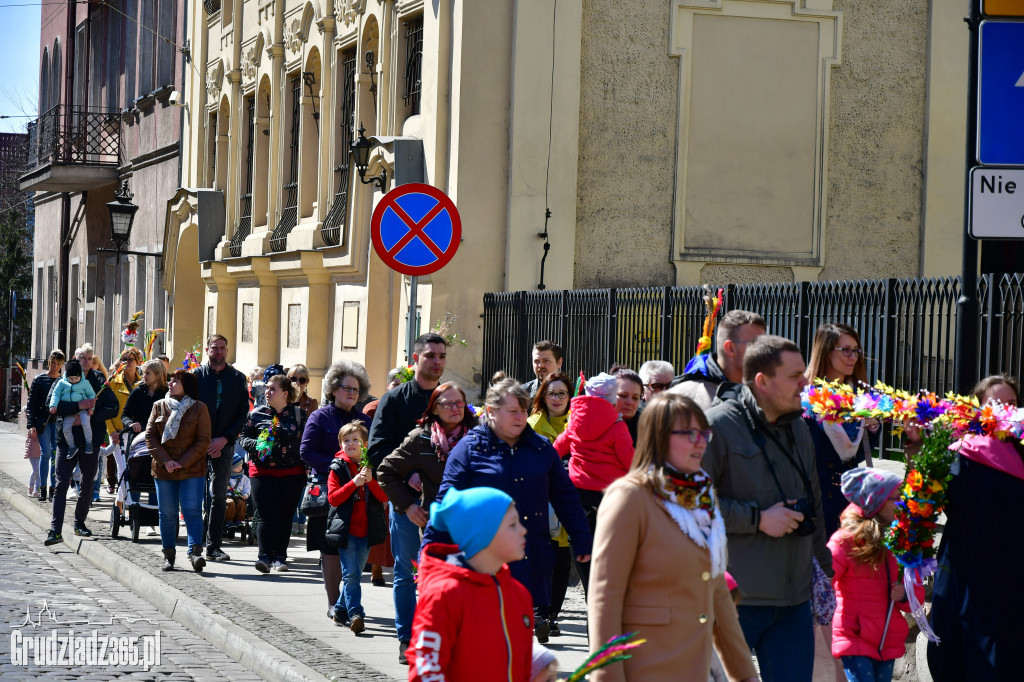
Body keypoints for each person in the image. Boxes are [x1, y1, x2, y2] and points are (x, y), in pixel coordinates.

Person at [588, 393, 757, 682]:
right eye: (689, 433)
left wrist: (745, 675)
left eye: (704, 433)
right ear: (659, 437)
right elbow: (605, 598)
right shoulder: (630, 497)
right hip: (644, 669)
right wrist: (607, 676)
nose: (700, 442)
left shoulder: (703, 498)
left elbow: (717, 593)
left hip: (696, 668)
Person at [702, 334, 832, 682]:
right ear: (762, 381)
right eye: (795, 375)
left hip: (793, 601)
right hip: (734, 600)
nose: (806, 382)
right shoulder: (717, 425)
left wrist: (826, 571)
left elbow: (815, 503)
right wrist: (758, 519)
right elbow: (693, 505)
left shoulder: (801, 428)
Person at [424, 378, 593, 645]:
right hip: (484, 559)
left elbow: (566, 499)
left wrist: (583, 539)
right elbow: (447, 505)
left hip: (531, 557)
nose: (521, 416)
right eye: (513, 411)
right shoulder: (470, 450)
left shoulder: (540, 449)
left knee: (517, 635)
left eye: (524, 410)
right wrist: (430, 553)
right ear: (490, 411)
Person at [926, 374, 1024, 681]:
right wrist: (920, 448)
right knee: (955, 650)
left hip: (1012, 573)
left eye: (1012, 403)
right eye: (995, 403)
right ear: (979, 408)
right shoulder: (955, 452)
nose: (1005, 410)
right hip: (963, 571)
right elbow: (922, 503)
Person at [367, 333, 447, 664]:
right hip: (407, 502)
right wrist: (407, 476)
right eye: (430, 355)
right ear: (415, 359)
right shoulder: (395, 400)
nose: (437, 361)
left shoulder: (449, 399)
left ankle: (434, 636)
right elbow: (376, 449)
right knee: (405, 571)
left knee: (440, 574)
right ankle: (407, 639)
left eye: (442, 355)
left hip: (443, 504)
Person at [409, 486, 534, 682]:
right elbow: (426, 671)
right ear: (483, 534)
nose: (523, 530)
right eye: (512, 525)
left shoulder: (519, 594)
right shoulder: (443, 595)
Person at [830, 468, 922, 682]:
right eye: (897, 499)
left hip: (886, 639)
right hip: (855, 637)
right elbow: (825, 577)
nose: (903, 504)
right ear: (877, 502)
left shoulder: (903, 541)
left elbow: (915, 593)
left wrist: (904, 595)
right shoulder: (846, 541)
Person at [300, 360, 372, 621]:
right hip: (329, 490)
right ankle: (333, 603)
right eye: (346, 388)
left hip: (360, 493)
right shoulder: (320, 417)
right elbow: (306, 452)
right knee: (330, 547)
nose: (351, 393)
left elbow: (371, 454)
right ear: (333, 389)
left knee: (356, 547)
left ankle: (345, 602)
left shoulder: (364, 420)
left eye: (355, 389)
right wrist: (338, 467)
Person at [552, 372, 633, 602]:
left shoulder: (574, 423)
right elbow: (630, 462)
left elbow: (556, 450)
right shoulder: (617, 427)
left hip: (578, 497)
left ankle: (591, 597)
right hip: (610, 498)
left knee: (583, 551)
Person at [805, 323, 881, 537]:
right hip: (814, 498)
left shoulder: (861, 397)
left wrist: (873, 427)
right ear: (825, 351)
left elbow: (857, 452)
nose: (853, 356)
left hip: (847, 497)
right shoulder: (806, 396)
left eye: (856, 350)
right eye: (845, 350)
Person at [378, 381, 477, 523]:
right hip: (438, 525)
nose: (455, 408)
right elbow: (386, 471)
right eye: (447, 404)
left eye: (459, 403)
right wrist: (408, 506)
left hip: (475, 523)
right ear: (435, 409)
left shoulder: (479, 435)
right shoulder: (421, 439)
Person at [238, 373, 308, 573]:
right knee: (266, 514)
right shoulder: (257, 413)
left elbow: (306, 440)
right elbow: (243, 436)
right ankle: (264, 557)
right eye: (267, 388)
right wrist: (256, 445)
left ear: (285, 393)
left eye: (272, 389)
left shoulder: (298, 414)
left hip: (292, 472)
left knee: (286, 516)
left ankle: (280, 557)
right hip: (262, 471)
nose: (267, 392)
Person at [326, 421, 388, 634]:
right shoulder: (337, 467)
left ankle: (340, 610)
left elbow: (383, 497)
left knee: (355, 573)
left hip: (367, 530)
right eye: (346, 440)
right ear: (341, 444)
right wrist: (354, 483)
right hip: (347, 530)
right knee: (351, 575)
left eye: (355, 440)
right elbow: (333, 499)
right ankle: (356, 613)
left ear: (364, 444)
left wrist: (370, 481)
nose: (350, 444)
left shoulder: (370, 466)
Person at [147, 370, 212, 573]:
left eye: (176, 381)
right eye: (171, 380)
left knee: (192, 511)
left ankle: (195, 553)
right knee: (167, 514)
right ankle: (169, 555)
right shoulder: (159, 406)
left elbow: (203, 440)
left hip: (192, 470)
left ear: (187, 385)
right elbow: (150, 436)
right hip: (164, 469)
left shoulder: (199, 408)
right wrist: (167, 461)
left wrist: (182, 463)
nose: (171, 383)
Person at [194, 334, 250, 563]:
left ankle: (213, 545)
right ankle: (194, 543)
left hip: (224, 444)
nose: (218, 352)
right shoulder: (196, 377)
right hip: (197, 444)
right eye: (214, 348)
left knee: (218, 496)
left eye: (222, 348)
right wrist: (205, 441)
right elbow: (189, 410)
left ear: (227, 351)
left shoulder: (237, 378)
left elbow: (242, 413)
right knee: (195, 495)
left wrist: (224, 440)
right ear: (207, 350)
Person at [526, 371, 573, 636]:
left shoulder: (579, 423)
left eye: (562, 393)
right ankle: (540, 614)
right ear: (543, 396)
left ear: (569, 397)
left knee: (562, 563)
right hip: (539, 501)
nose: (557, 398)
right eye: (552, 393)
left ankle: (551, 616)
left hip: (567, 500)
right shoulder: (531, 425)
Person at [670, 310, 766, 410]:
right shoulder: (685, 399)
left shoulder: (765, 391)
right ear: (730, 348)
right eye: (756, 344)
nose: (763, 351)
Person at [27, 349, 65, 502]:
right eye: (53, 363)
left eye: (58, 364)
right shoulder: (39, 379)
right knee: (46, 453)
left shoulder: (63, 382)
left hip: (58, 423)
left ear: (62, 365)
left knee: (56, 454)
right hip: (43, 422)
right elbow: (31, 404)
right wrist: (31, 424)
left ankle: (53, 487)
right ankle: (42, 488)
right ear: (48, 362)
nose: (55, 366)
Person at [104, 347, 144, 492]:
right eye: (123, 359)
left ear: (138, 362)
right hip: (118, 433)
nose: (127, 362)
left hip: (136, 433)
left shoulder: (143, 384)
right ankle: (123, 501)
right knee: (122, 469)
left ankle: (129, 501)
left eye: (130, 359)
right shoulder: (113, 382)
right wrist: (111, 431)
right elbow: (106, 409)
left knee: (133, 469)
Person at [49, 359, 96, 457]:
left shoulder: (85, 383)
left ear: (80, 376)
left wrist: (92, 408)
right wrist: (53, 405)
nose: (74, 380)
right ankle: (72, 446)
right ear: (67, 376)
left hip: (83, 410)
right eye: (71, 378)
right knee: (66, 428)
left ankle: (88, 443)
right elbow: (55, 394)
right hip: (69, 411)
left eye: (76, 378)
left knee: (86, 423)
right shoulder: (62, 383)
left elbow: (92, 395)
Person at [121, 359, 169, 448]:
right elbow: (125, 415)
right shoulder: (138, 391)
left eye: (148, 373)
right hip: (137, 439)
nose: (144, 376)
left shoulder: (167, 393)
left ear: (158, 375)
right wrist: (130, 423)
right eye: (143, 373)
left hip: (160, 441)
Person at [612, 368, 644, 446]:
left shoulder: (647, 430)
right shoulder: (590, 423)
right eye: (623, 396)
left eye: (635, 398)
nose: (630, 402)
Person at [224, 453, 251, 528]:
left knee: (241, 504)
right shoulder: (225, 477)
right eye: (237, 467)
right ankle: (229, 521)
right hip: (227, 496)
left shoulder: (244, 478)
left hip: (239, 496)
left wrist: (246, 494)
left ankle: (239, 520)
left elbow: (247, 487)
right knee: (230, 503)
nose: (240, 468)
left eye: (241, 466)